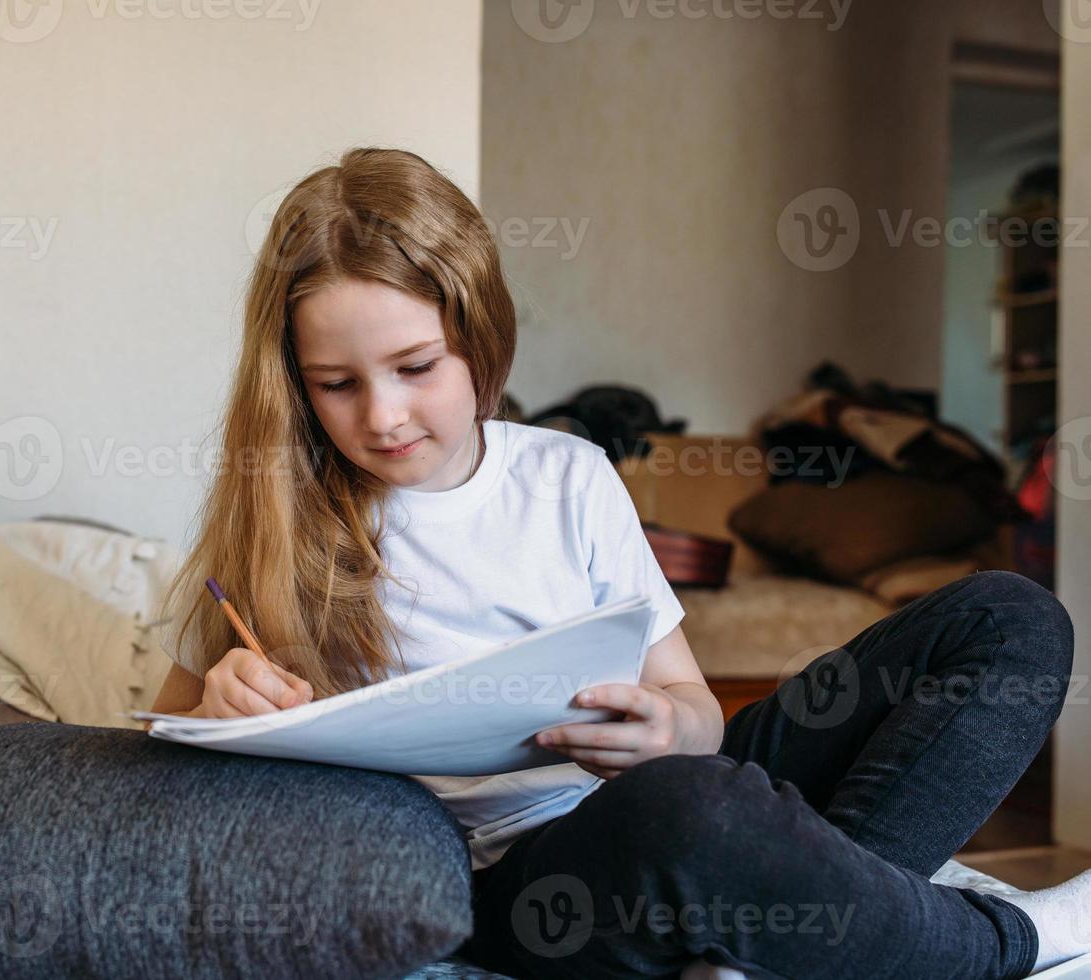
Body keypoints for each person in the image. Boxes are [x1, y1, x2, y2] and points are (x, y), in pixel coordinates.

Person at [148, 146, 1084, 978]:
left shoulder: (569, 476)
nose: (384, 416)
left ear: (480, 338)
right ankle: (1004, 941)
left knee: (1009, 618)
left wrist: (666, 731)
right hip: (520, 881)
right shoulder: (275, 517)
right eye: (337, 386)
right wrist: (219, 704)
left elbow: (697, 714)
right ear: (293, 384)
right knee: (694, 811)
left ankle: (780, 945)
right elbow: (171, 726)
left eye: (416, 367)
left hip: (645, 787)